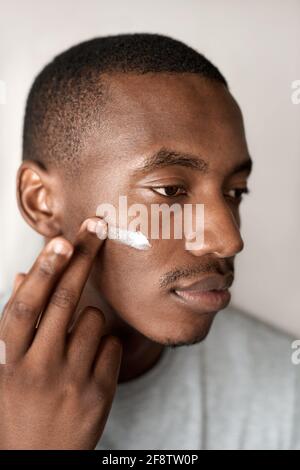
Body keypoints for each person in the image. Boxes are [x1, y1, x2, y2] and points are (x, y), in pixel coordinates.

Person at [0, 33, 299, 450]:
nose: (229, 240)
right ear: (41, 201)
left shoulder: (286, 390)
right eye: (170, 190)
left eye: (236, 191)